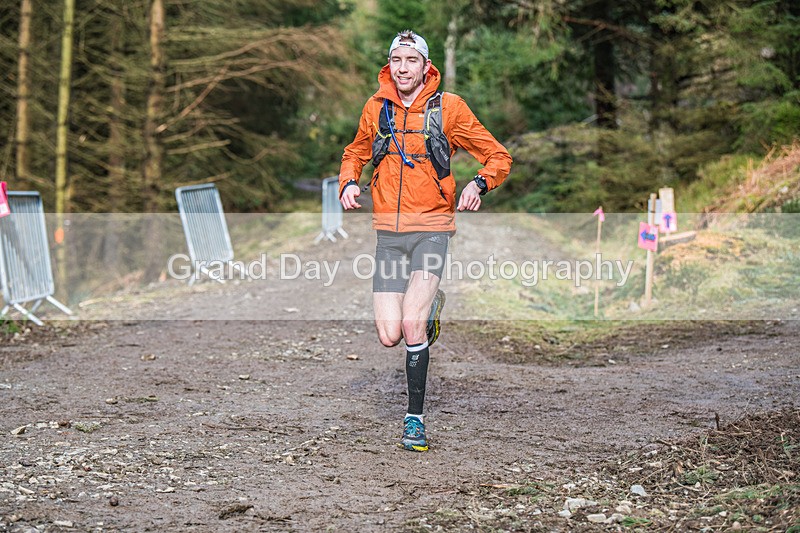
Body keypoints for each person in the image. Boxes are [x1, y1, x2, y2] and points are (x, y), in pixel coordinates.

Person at [338, 30, 512, 452]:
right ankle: (430, 310)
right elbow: (356, 152)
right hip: (389, 236)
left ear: (425, 66)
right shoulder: (375, 108)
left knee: (411, 324)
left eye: (410, 61)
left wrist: (479, 184)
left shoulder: (449, 108)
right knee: (388, 335)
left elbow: (498, 155)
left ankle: (413, 421)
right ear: (388, 65)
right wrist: (348, 182)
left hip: (432, 229)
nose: (402, 68)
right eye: (396, 60)